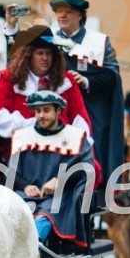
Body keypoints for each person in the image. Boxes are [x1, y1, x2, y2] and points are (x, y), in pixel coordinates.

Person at [0, 25, 93, 173]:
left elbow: (80, 120)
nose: (45, 58)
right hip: (21, 155)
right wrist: (29, 125)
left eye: (49, 53)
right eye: (40, 53)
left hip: (59, 155)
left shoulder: (66, 81)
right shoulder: (9, 79)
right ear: (28, 55)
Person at [43, 0, 124, 179]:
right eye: (59, 12)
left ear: (80, 15)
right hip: (57, 108)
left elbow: (112, 76)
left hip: (91, 107)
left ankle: (94, 190)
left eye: (67, 12)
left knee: (93, 148)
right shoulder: (48, 39)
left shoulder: (99, 42)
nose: (62, 16)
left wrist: (86, 80)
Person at [11, 90, 94, 248]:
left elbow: (85, 169)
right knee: (10, 209)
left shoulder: (76, 137)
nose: (41, 115)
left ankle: (30, 248)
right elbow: (12, 171)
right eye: (38, 111)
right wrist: (26, 186)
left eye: (46, 110)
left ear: (58, 111)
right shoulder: (22, 136)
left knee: (47, 214)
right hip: (27, 195)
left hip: (62, 197)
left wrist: (59, 180)